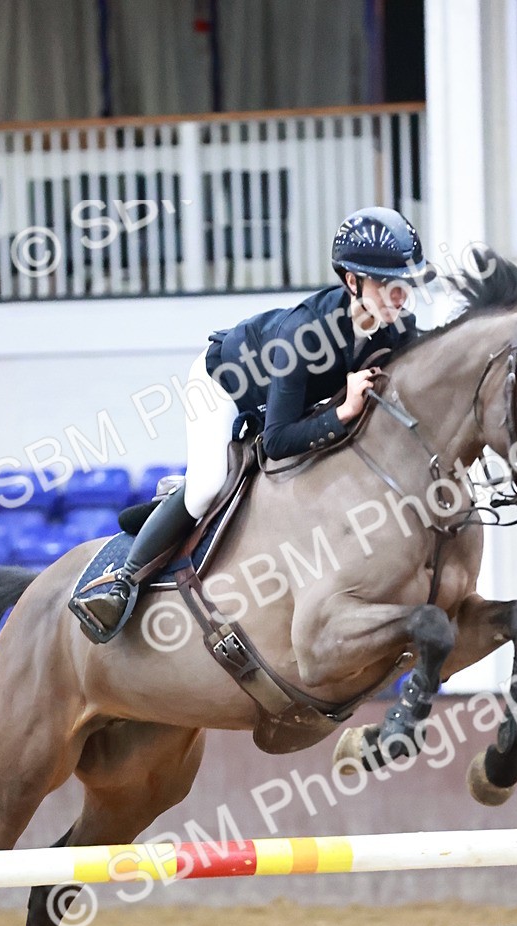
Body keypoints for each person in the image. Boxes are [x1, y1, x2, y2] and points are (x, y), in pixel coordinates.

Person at [77, 206, 435, 637]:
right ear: (351, 281)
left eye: (405, 286)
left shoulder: (396, 330)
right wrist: (342, 413)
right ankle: (121, 581)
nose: (400, 297)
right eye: (387, 285)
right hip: (225, 387)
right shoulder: (303, 336)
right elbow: (278, 440)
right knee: (209, 484)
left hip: (285, 402)